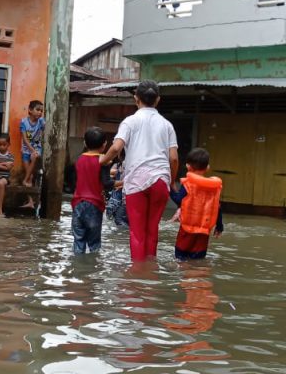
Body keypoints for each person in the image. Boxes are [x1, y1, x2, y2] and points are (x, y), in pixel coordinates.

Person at [100, 80, 178, 262]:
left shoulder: (130, 122)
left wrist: (101, 161)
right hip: (160, 180)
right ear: (158, 100)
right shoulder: (167, 125)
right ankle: (150, 275)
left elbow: (115, 148)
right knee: (152, 229)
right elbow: (173, 158)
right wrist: (171, 181)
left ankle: (137, 277)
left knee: (137, 232)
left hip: (136, 181)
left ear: (136, 99)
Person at [169, 147, 224, 260]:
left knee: (180, 258)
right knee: (198, 260)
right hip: (203, 233)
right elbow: (217, 208)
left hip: (186, 230)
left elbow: (179, 200)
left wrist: (170, 190)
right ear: (207, 167)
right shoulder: (213, 188)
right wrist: (219, 226)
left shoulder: (188, 184)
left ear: (188, 166)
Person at [71, 127, 113, 254]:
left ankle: (78, 271)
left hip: (77, 204)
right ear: (104, 144)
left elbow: (87, 173)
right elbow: (107, 183)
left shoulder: (79, 160)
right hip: (94, 205)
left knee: (78, 242)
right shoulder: (103, 161)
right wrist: (124, 182)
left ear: (85, 143)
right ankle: (92, 271)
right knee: (94, 245)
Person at [20, 100, 45, 188]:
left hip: (36, 148)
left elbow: (47, 127)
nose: (40, 112)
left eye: (41, 111)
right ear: (30, 110)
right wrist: (31, 150)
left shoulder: (41, 121)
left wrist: (34, 151)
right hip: (26, 149)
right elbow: (25, 139)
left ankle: (24, 180)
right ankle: (30, 201)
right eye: (37, 110)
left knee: (34, 156)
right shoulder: (24, 122)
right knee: (29, 174)